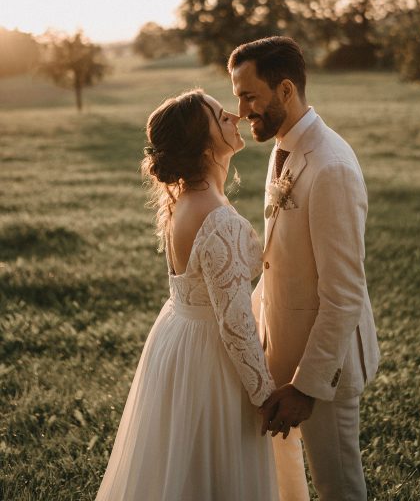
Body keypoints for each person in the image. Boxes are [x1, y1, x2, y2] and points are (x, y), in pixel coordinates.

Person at [95, 89, 279, 501]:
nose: (234, 115)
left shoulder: (184, 201)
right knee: (212, 471)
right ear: (203, 143)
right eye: (220, 115)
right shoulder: (216, 217)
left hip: (177, 339)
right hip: (211, 357)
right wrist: (265, 395)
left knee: (179, 468)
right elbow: (235, 324)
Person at [228, 37, 380, 501]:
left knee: (340, 488)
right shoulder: (285, 148)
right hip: (281, 355)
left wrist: (306, 387)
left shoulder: (330, 166)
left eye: (249, 95)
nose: (241, 109)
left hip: (322, 373)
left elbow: (344, 293)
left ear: (286, 90)